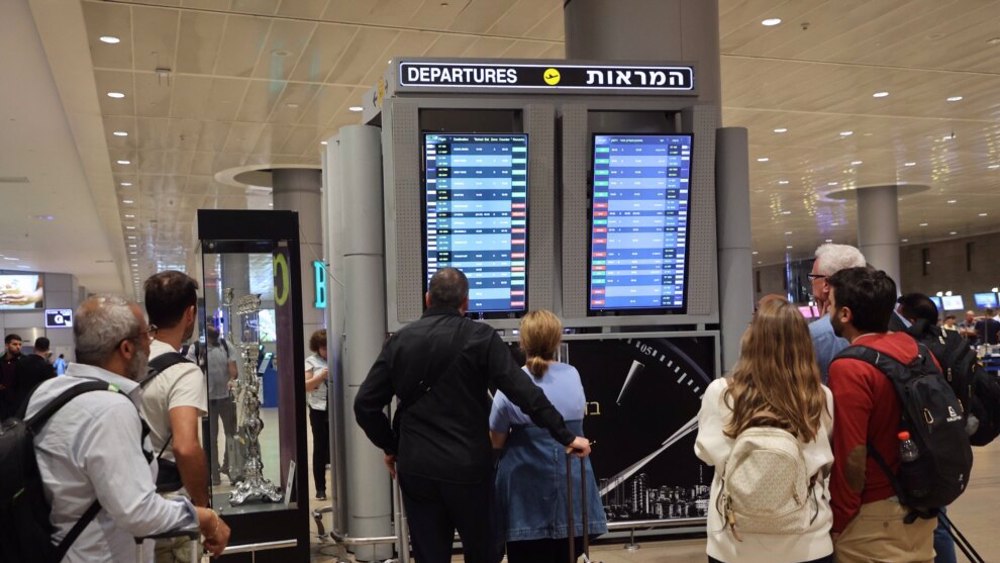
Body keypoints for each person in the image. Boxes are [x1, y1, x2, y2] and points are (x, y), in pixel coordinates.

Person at [354, 268, 592, 563]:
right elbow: (524, 393)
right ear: (465, 303)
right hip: (468, 467)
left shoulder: (399, 341)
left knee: (429, 555)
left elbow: (364, 405)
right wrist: (566, 436)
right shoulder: (481, 337)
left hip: (417, 465)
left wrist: (392, 446)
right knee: (482, 553)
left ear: (427, 299)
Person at [25, 295, 229, 561]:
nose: (150, 344)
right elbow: (139, 512)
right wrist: (205, 517)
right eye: (146, 335)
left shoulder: (47, 393)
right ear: (126, 348)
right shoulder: (110, 409)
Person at [695, 297, 834, 563]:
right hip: (808, 541)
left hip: (734, 543)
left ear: (751, 340)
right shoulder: (820, 396)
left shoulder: (721, 393)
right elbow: (824, 462)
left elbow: (706, 454)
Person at [826, 267, 937, 562]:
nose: (827, 311)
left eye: (830, 304)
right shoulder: (918, 351)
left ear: (845, 314)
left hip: (874, 516)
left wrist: (840, 519)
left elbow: (852, 454)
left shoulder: (850, 367)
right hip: (922, 501)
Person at [489, 310, 607, 562]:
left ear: (523, 341)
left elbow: (496, 440)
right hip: (570, 487)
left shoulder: (512, 382)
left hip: (523, 495)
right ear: (557, 340)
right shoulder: (573, 374)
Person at [141, 271, 209, 562]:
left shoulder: (128, 358)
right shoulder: (183, 372)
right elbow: (185, 446)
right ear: (190, 313)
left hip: (128, 499)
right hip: (168, 504)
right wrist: (202, 506)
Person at [895, 293, 959, 563]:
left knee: (936, 521)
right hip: (946, 439)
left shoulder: (917, 350)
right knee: (939, 519)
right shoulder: (943, 344)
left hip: (924, 444)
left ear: (911, 320)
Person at [807, 243, 866, 382]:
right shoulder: (884, 320)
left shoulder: (814, 334)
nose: (811, 283)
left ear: (826, 284)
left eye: (813, 277)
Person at [204, 325, 237, 486]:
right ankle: (214, 473)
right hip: (208, 400)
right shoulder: (198, 349)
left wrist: (232, 375)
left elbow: (233, 370)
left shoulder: (225, 345)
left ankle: (229, 467)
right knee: (211, 438)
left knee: (231, 434)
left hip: (225, 398)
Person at [304, 329, 331, 500]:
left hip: (335, 408)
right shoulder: (311, 362)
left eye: (328, 347)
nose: (326, 351)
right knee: (319, 447)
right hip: (318, 409)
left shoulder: (336, 358)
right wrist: (321, 376)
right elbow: (307, 386)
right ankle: (320, 487)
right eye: (323, 348)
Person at [13, 336, 56, 411]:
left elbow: (15, 382)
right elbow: (52, 385)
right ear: (48, 349)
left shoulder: (21, 362)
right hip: (37, 403)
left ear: (34, 347)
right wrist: (49, 360)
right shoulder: (47, 366)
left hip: (21, 402)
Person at [0, 333, 23, 419]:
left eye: (20, 344)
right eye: (15, 344)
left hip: (19, 402)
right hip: (3, 402)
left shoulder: (24, 361)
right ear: (7, 345)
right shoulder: (1, 361)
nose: (18, 347)